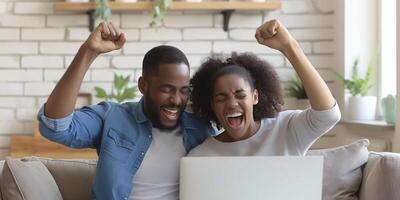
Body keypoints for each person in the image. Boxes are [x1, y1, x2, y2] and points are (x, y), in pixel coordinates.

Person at [37, 21, 214, 200]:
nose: (176, 100)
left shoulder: (200, 130)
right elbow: (55, 126)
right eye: (166, 89)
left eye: (184, 90)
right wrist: (88, 52)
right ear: (143, 85)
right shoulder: (113, 117)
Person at [188, 19, 341, 157]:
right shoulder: (201, 156)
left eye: (240, 95)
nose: (232, 103)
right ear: (212, 104)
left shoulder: (286, 129)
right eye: (221, 98)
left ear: (255, 96)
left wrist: (289, 46)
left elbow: (328, 116)